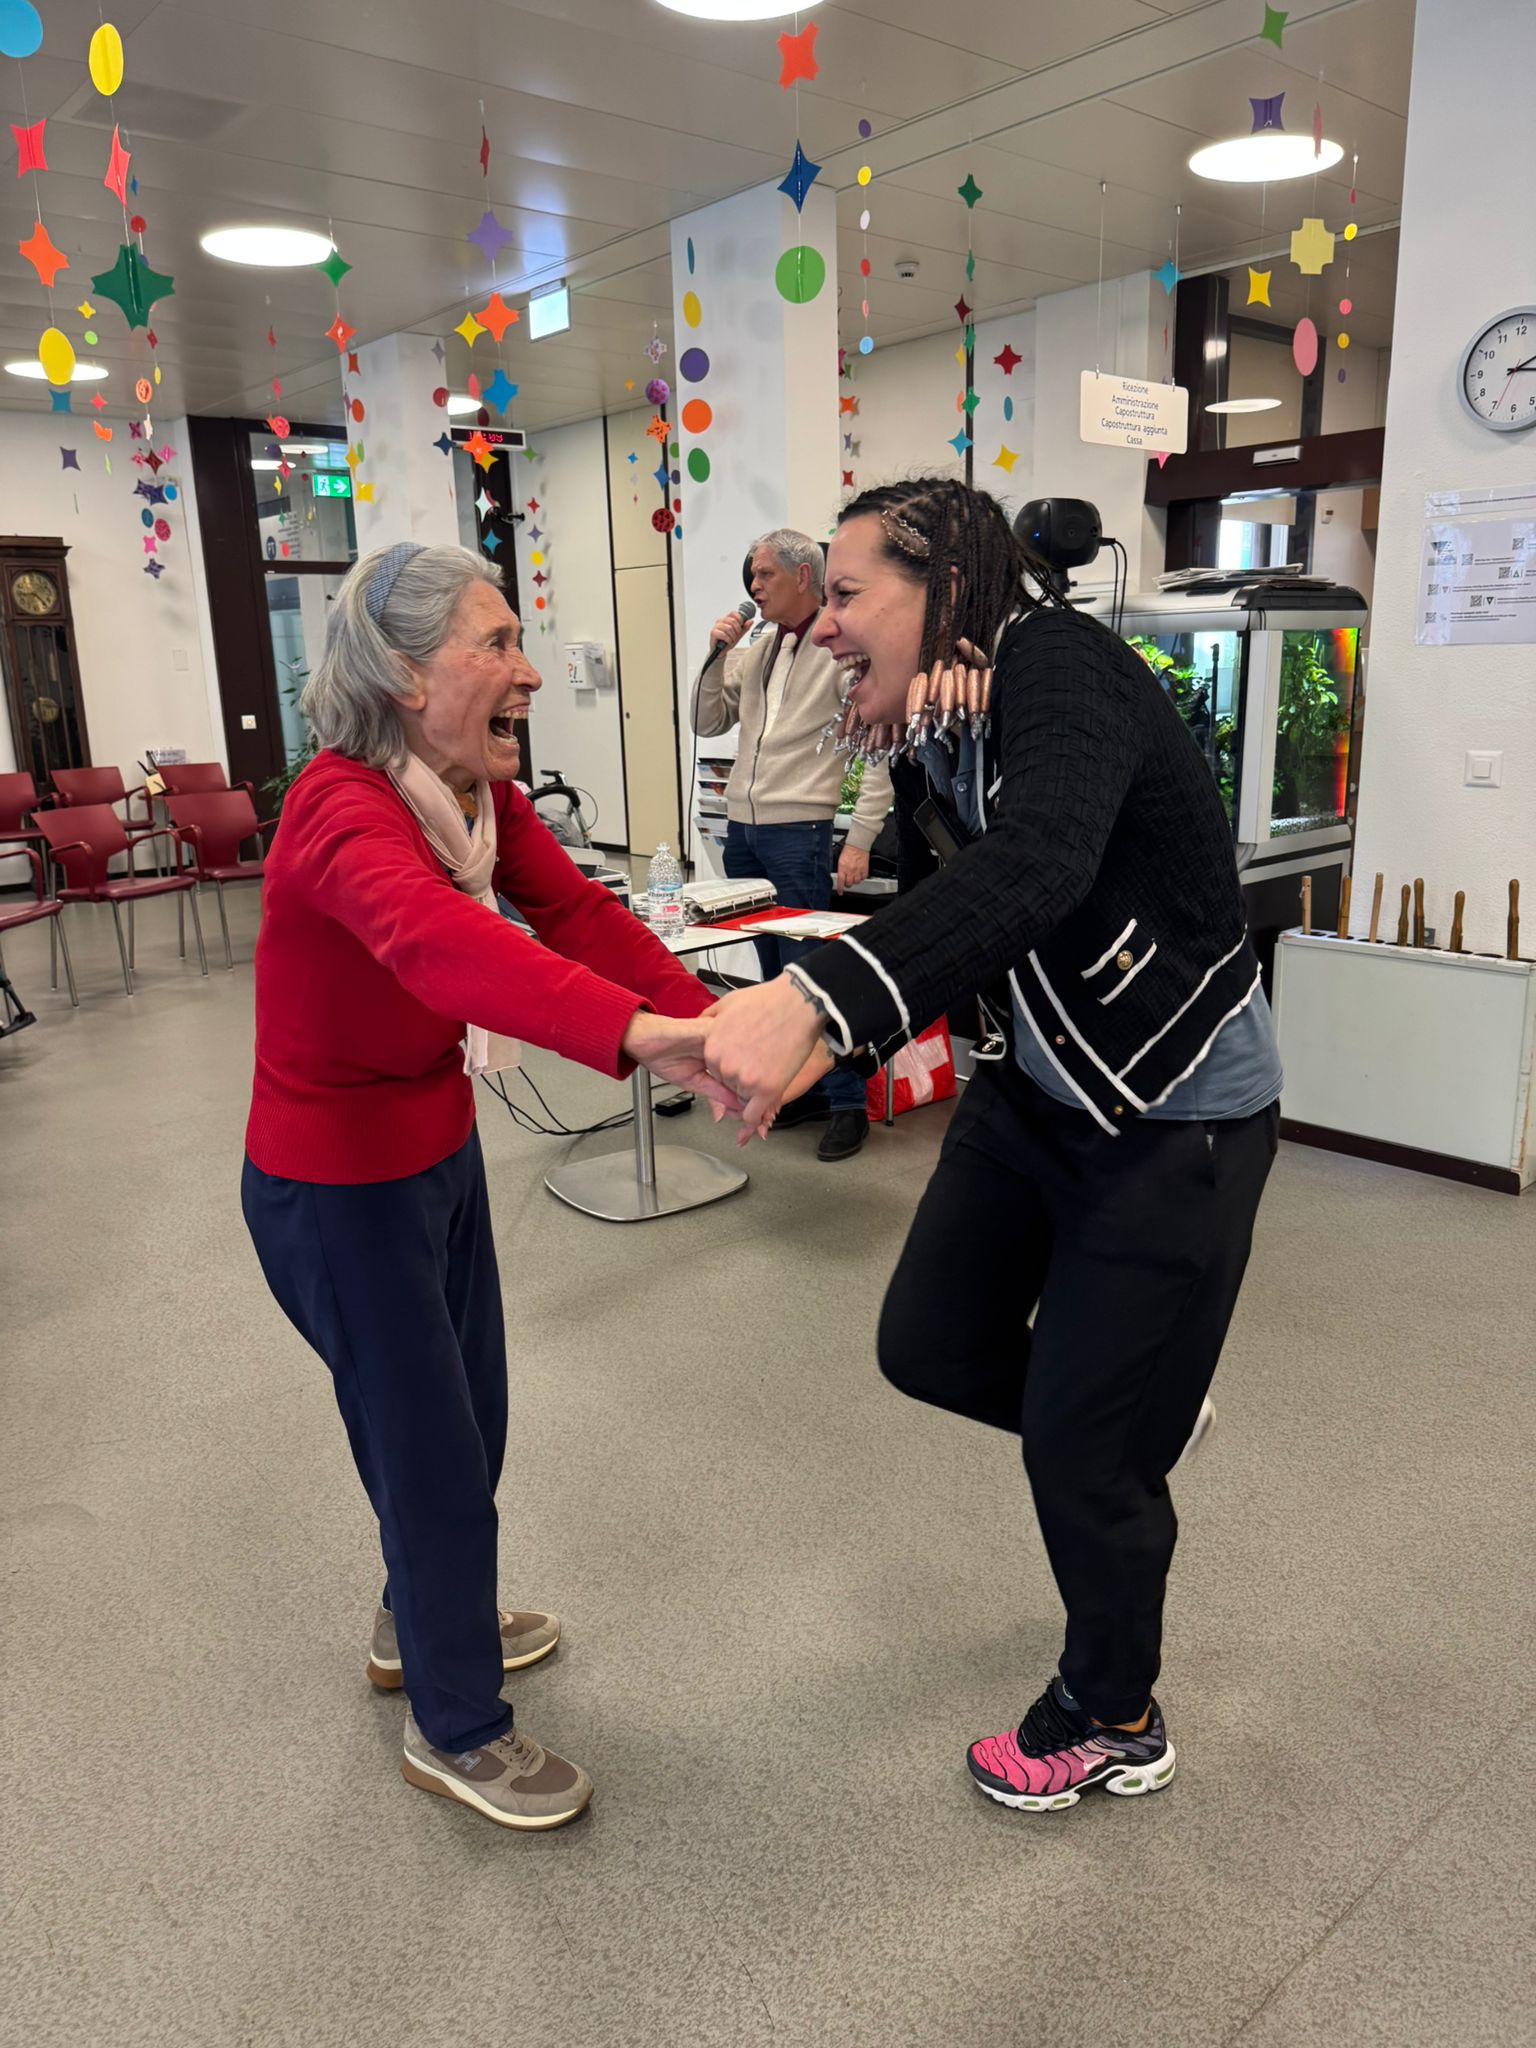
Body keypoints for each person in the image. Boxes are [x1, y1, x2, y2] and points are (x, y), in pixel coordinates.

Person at [702, 477, 1282, 1813]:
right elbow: (950, 891)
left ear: (948, 585)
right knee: (928, 1342)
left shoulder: (1063, 663)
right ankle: (1133, 1414)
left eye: (850, 594)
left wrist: (820, 1003)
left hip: (1173, 1114)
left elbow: (1043, 865)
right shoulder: (950, 708)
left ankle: (1114, 1712)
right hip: (1033, 1093)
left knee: (1081, 1460)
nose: (825, 622)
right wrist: (912, 749)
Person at [242, 542, 733, 1833]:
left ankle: (422, 1619)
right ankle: (455, 1723)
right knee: (430, 1449)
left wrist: (706, 1023)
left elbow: (576, 916)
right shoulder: (340, 807)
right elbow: (439, 941)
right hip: (335, 1183)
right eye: (497, 642)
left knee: (473, 1417)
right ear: (405, 673)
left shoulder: (475, 792)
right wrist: (636, 1037)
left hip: (432, 1149)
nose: (528, 671)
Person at [693, 528, 892, 1161]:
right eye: (752, 577)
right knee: (774, 974)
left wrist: (860, 837)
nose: (754, 587)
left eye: (765, 575)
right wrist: (716, 655)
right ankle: (801, 1087)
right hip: (743, 831)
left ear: (804, 576)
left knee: (812, 975)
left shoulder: (838, 650)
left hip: (799, 832)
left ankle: (846, 1103)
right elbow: (706, 721)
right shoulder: (758, 649)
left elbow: (878, 747)